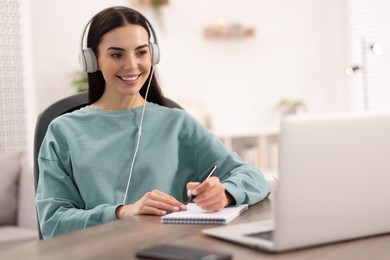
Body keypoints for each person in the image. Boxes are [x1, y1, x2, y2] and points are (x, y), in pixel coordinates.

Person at [35, 6, 271, 239]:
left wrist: (227, 193)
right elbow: (53, 223)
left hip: (169, 249)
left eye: (141, 52)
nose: (131, 65)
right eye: (116, 54)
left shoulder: (177, 123)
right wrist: (121, 212)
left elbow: (252, 177)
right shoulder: (63, 131)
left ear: (152, 55)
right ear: (92, 60)